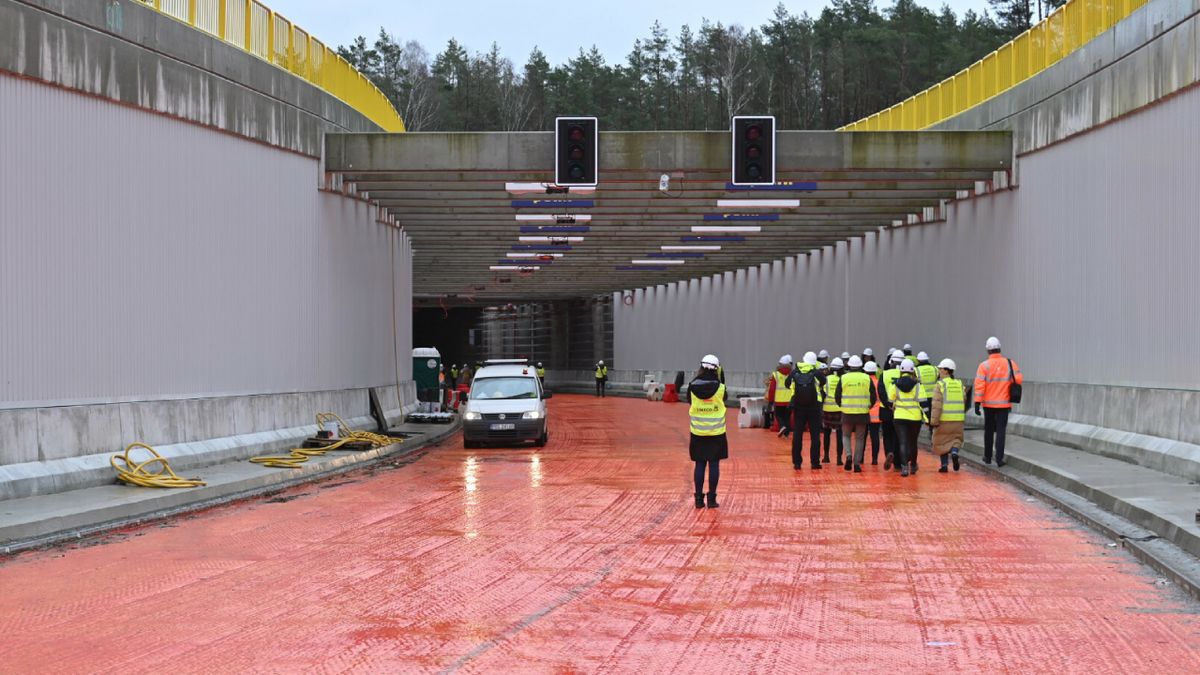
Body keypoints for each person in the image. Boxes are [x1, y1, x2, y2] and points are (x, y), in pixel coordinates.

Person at [974, 337, 1023, 466]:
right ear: (999, 348)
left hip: (988, 404)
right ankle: (999, 459)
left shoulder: (983, 366)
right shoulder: (1010, 363)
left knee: (989, 430)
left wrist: (977, 403)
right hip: (1004, 403)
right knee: (1001, 430)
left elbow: (979, 386)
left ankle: (988, 457)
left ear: (988, 350)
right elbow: (1018, 380)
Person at [689, 355, 728, 509]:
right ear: (716, 369)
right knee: (713, 465)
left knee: (699, 465)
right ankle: (711, 499)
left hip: (698, 432)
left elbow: (689, 401)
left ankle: (699, 499)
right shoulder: (721, 388)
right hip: (716, 433)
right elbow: (724, 399)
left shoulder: (692, 387)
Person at [836, 356, 877, 472]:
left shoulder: (843, 378)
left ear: (849, 365)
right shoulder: (866, 378)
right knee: (860, 438)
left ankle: (848, 455)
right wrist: (868, 406)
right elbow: (873, 396)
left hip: (847, 413)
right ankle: (857, 463)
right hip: (862, 413)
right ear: (860, 366)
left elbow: (837, 395)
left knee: (845, 435)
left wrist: (842, 406)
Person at [787, 351, 825, 470]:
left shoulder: (795, 372)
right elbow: (824, 382)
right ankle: (814, 462)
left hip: (799, 408)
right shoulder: (817, 373)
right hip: (814, 408)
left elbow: (787, 383)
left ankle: (797, 462)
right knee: (815, 436)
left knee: (797, 435)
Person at [931, 358, 970, 472]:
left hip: (944, 420)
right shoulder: (959, 384)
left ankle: (944, 466)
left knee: (941, 442)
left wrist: (934, 421)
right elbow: (964, 400)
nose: (939, 371)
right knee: (956, 440)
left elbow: (936, 406)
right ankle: (954, 452)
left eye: (941, 369)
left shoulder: (940, 385)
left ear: (946, 371)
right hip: (958, 420)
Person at [889, 360, 925, 477]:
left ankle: (904, 468)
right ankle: (913, 466)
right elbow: (924, 403)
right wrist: (928, 417)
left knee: (903, 442)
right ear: (912, 371)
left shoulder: (895, 384)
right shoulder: (918, 385)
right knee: (913, 442)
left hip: (899, 417)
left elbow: (890, 401)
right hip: (915, 418)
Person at [877, 350, 903, 471]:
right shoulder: (905, 374)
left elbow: (881, 392)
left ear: (890, 361)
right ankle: (897, 464)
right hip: (900, 410)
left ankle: (889, 452)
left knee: (887, 435)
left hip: (886, 410)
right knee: (898, 437)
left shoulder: (884, 374)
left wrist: (888, 404)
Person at [821, 357, 845, 465]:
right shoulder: (843, 379)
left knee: (827, 433)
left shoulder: (826, 379)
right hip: (840, 409)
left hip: (827, 409)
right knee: (840, 434)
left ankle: (826, 456)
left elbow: (823, 393)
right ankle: (839, 458)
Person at [766, 355, 794, 438]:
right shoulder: (792, 374)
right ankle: (786, 434)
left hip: (779, 401)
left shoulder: (776, 375)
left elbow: (772, 389)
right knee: (787, 417)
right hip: (789, 401)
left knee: (778, 415)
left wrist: (770, 401)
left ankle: (782, 427)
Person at [864, 361, 883, 465]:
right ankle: (874, 458)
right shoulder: (879, 382)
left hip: (864, 412)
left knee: (862, 436)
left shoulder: (863, 382)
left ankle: (861, 458)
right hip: (876, 413)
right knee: (875, 436)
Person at [916, 352, 938, 424]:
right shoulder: (935, 369)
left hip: (921, 397)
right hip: (933, 396)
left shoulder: (916, 370)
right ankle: (932, 431)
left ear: (918, 360)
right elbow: (938, 378)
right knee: (932, 416)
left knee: (922, 415)